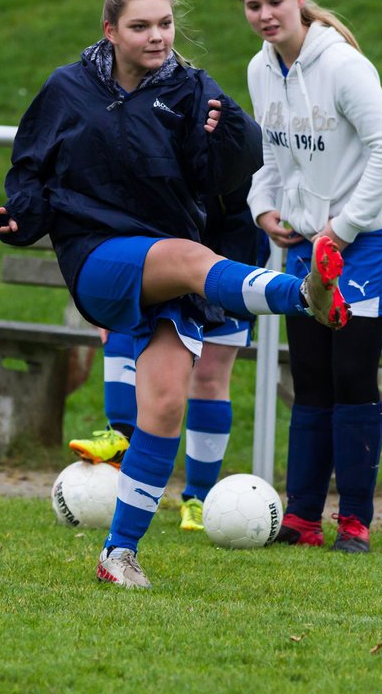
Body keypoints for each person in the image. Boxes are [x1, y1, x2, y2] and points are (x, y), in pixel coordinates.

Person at [0, 0, 350, 589]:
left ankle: (118, 555)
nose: (157, 36)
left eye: (165, 24)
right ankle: (303, 296)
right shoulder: (67, 89)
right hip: (98, 255)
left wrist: (227, 139)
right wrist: (20, 218)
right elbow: (30, 168)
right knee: (189, 256)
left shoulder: (192, 91)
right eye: (140, 26)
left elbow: (228, 178)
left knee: (163, 406)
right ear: (110, 32)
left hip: (174, 261)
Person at [236, 0, 382, 553]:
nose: (264, 15)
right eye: (253, 5)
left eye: (274, 3)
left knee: (352, 376)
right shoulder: (260, 71)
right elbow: (271, 157)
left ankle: (356, 523)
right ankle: (303, 519)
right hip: (314, 244)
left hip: (374, 237)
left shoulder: (342, 65)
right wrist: (264, 208)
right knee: (309, 376)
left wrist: (342, 229)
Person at [68, 185, 269, 533]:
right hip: (156, 255)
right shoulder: (142, 135)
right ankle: (121, 436)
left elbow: (253, 178)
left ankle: (198, 499)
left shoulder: (228, 135)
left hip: (227, 255)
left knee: (208, 377)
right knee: (125, 323)